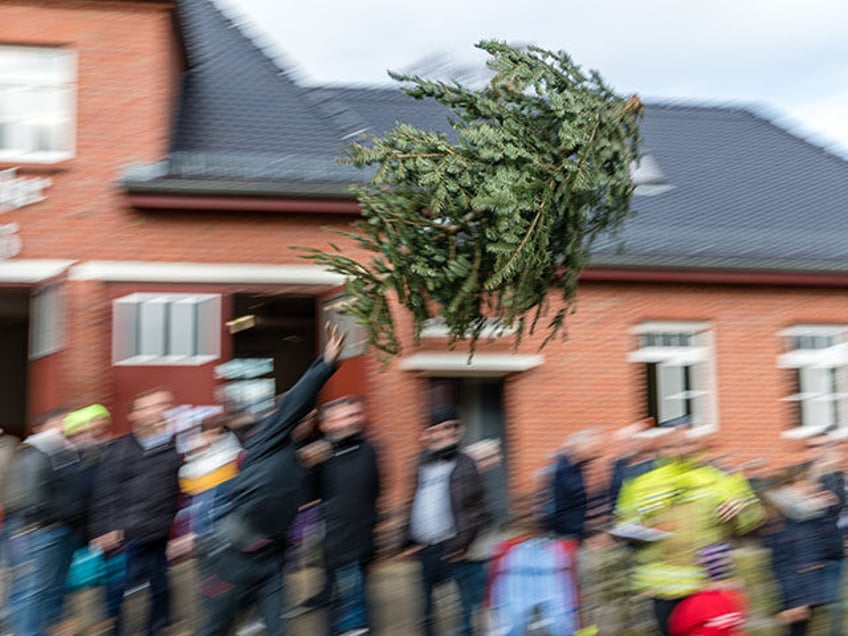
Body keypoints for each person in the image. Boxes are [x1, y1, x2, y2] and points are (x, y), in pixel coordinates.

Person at [196, 323, 346, 636]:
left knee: (279, 629)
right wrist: (326, 364)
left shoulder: (297, 455)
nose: (308, 420)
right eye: (303, 415)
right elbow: (294, 404)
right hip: (231, 556)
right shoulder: (264, 437)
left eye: (310, 417)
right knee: (215, 628)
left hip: (271, 560)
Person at [615, 425, 763, 636]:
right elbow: (623, 521)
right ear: (659, 450)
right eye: (671, 446)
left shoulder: (720, 478)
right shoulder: (641, 483)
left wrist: (738, 512)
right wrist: (640, 529)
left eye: (686, 444)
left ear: (698, 446)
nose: (680, 450)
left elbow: (753, 516)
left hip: (706, 583)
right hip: (661, 586)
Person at [89, 389, 182, 636]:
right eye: (151, 406)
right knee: (116, 591)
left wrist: (177, 532)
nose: (160, 409)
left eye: (163, 404)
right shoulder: (120, 449)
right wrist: (104, 529)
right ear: (135, 415)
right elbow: (104, 492)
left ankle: (157, 627)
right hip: (125, 535)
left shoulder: (173, 447)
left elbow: (179, 491)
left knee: (160, 587)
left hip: (159, 533)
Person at [402, 404, 491, 636]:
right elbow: (411, 501)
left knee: (463, 610)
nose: (443, 434)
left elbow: (479, 510)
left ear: (457, 431)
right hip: (426, 548)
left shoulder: (466, 464)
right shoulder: (420, 463)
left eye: (449, 428)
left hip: (454, 548)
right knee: (427, 612)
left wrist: (463, 544)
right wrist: (407, 539)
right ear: (427, 435)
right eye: (436, 429)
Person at [300, 396, 381, 636]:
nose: (353, 420)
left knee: (357, 612)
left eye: (355, 414)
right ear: (327, 425)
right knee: (338, 610)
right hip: (334, 543)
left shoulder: (369, 450)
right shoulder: (320, 454)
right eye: (345, 416)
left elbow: (375, 490)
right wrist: (307, 466)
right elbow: (307, 496)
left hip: (361, 543)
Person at [3, 407, 86, 636]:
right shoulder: (35, 450)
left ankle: (40, 629)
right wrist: (44, 518)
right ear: (46, 425)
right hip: (37, 527)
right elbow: (29, 497)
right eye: (60, 422)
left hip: (57, 526)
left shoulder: (64, 451)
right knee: (33, 587)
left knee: (47, 586)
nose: (65, 427)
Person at [548, 428, 602, 541]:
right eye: (590, 447)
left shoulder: (577, 467)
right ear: (579, 446)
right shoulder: (561, 469)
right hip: (564, 534)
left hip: (575, 532)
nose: (594, 452)